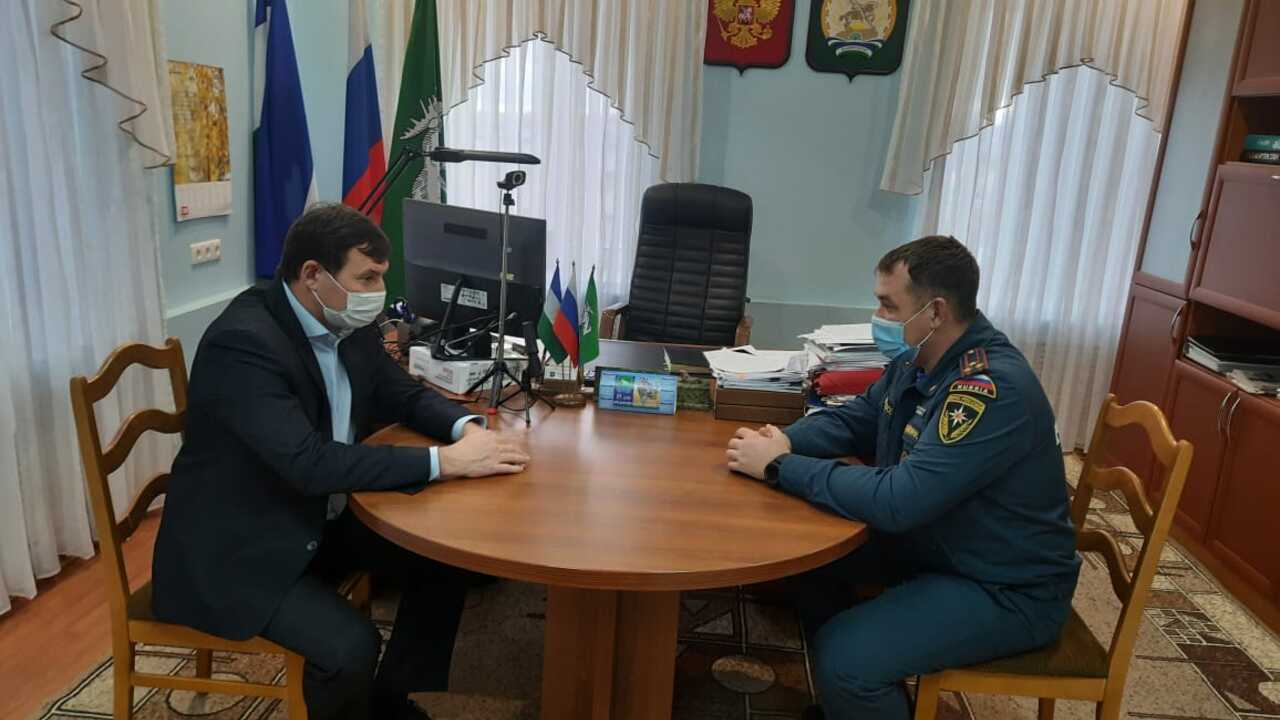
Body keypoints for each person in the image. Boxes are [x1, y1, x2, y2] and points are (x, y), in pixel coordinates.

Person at [152, 203, 531, 720]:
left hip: (314, 518)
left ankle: (394, 704)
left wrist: (468, 430)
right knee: (349, 649)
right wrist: (445, 463)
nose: (379, 292)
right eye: (367, 277)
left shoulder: (344, 322)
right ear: (313, 274)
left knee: (447, 557)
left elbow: (403, 394)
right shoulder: (244, 343)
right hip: (241, 548)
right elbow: (309, 463)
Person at [726, 236, 1080, 720]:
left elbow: (899, 500)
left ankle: (854, 682)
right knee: (806, 561)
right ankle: (854, 704)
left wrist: (779, 466)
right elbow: (857, 419)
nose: (878, 317)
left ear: (935, 312)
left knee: (846, 660)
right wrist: (785, 439)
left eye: (888, 305)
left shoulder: (990, 389)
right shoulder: (918, 361)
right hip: (941, 543)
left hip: (1004, 586)